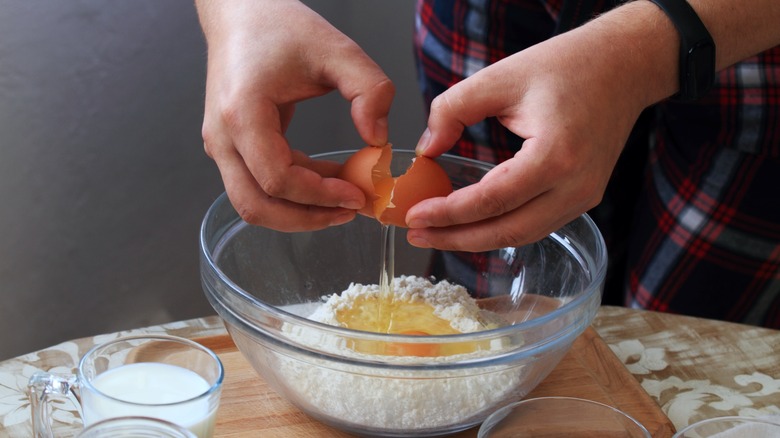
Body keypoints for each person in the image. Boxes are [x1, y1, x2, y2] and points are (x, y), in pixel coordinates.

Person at [194, 0, 780, 328]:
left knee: (675, 339)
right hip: (496, 15)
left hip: (748, 44)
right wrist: (241, 13)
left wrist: (645, 51)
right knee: (489, 315)